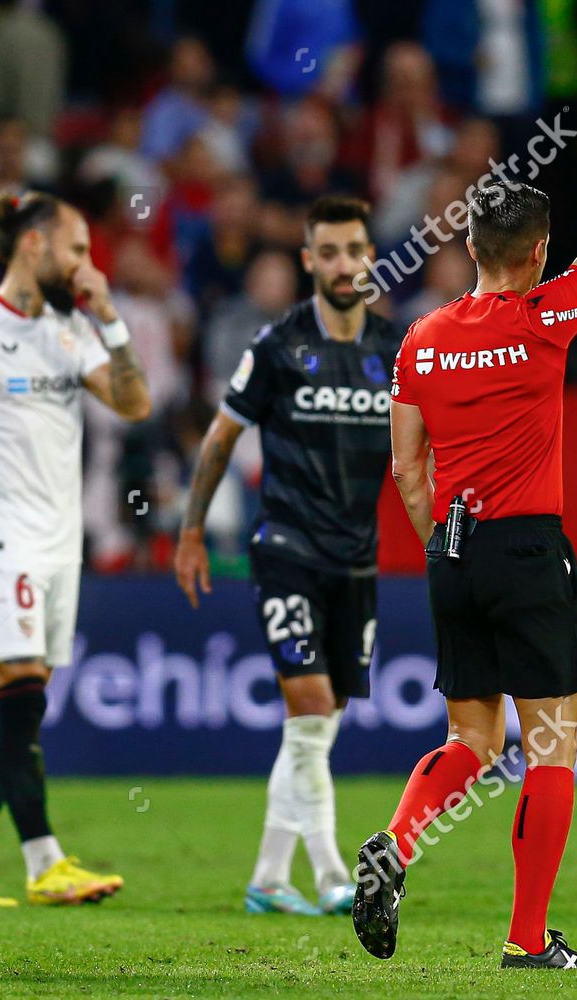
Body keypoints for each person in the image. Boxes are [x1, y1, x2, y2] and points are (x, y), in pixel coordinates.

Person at [353, 63, 577, 971]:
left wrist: (437, 540)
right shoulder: (548, 316)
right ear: (538, 253)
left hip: (452, 555)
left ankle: (397, 839)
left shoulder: (420, 340)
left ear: (467, 247)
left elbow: (405, 465)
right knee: (550, 742)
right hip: (530, 548)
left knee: (470, 738)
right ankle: (528, 939)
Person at [0, 190, 150, 907]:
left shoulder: (70, 329)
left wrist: (109, 319)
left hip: (58, 544)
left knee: (21, 703)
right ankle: (44, 860)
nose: (87, 265)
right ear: (37, 245)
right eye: (78, 249)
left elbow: (134, 403)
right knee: (18, 690)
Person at [173, 196, 399, 917]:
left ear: (370, 256)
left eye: (354, 250)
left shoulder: (395, 350)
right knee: (307, 704)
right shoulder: (277, 346)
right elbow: (220, 437)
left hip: (357, 560)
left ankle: (269, 877)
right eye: (327, 252)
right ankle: (334, 873)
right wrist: (189, 531)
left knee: (317, 723)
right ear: (308, 261)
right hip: (288, 549)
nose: (342, 264)